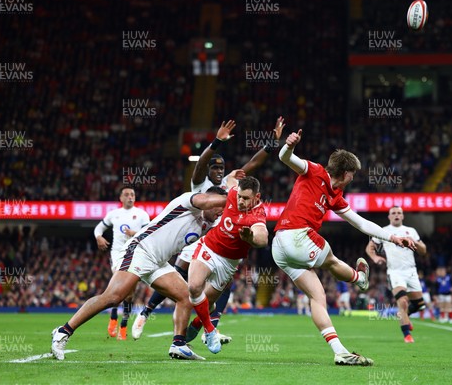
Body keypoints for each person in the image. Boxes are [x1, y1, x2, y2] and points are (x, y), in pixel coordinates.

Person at [272, 129, 416, 366]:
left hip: (279, 248)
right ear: (346, 172)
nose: (353, 179)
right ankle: (359, 278)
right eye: (353, 175)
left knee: (318, 297)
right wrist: (289, 145)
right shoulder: (315, 171)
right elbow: (285, 158)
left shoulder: (335, 195)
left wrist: (392, 237)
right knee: (329, 259)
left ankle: (339, 351)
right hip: (295, 235)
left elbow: (361, 223)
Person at [132, 118, 284, 342]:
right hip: (195, 237)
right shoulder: (199, 185)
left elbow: (253, 164)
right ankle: (146, 312)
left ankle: (210, 327)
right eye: (215, 167)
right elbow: (200, 163)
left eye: (221, 167)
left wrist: (271, 144)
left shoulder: (232, 186)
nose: (219, 171)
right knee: (180, 273)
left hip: (220, 240)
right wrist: (216, 142)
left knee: (223, 285)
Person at [51, 181, 237, 361]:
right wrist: (234, 197)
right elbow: (205, 201)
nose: (222, 211)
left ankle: (178, 344)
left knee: (187, 298)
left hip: (159, 262)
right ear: (211, 199)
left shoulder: (209, 225)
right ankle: (63, 332)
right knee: (114, 297)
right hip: (140, 250)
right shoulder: (189, 201)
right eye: (220, 205)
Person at [186, 176, 268, 354]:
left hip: (229, 263)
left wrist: (251, 238)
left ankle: (199, 323)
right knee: (193, 287)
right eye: (239, 196)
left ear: (257, 197)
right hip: (209, 246)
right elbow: (230, 180)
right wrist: (234, 175)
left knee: (206, 305)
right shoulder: (233, 193)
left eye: (246, 198)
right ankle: (210, 330)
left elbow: (262, 237)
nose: (240, 201)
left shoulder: (258, 214)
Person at [93, 186, 150, 340]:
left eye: (132, 194)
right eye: (126, 194)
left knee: (129, 293)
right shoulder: (114, 214)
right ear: (121, 198)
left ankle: (123, 325)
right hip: (118, 254)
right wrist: (98, 236)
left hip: (136, 254)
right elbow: (99, 228)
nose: (130, 197)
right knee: (118, 287)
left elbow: (149, 233)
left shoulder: (142, 214)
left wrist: (135, 234)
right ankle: (113, 318)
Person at [365, 206, 427, 343]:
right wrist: (375, 258)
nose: (396, 215)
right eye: (393, 213)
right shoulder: (384, 231)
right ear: (389, 216)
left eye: (399, 213)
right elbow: (369, 247)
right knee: (403, 301)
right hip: (395, 272)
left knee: (419, 305)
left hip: (411, 271)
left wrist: (414, 241)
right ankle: (407, 335)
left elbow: (423, 251)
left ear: (403, 216)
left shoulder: (411, 231)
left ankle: (403, 315)